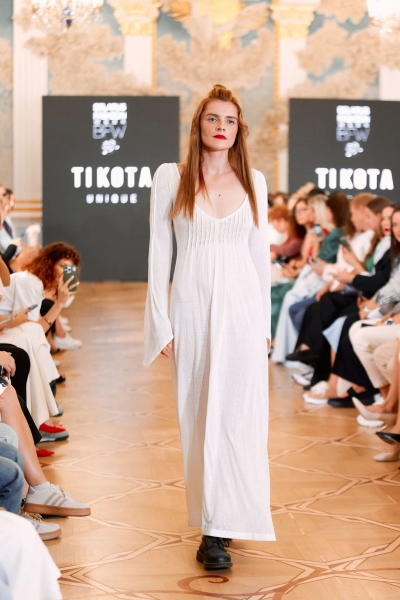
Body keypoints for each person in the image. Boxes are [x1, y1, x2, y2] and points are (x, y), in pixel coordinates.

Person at [144, 84, 275, 570]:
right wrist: (160, 320)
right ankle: (210, 522)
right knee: (198, 415)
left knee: (240, 416)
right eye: (213, 118)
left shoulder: (254, 181)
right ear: (198, 124)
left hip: (243, 311)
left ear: (240, 130)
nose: (221, 127)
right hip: (192, 308)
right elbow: (159, 251)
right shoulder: (171, 177)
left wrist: (265, 325)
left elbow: (259, 258)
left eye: (230, 120)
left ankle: (225, 519)